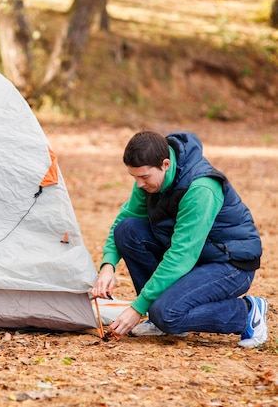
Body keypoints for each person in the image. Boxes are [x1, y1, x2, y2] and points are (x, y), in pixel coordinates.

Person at [91, 131, 267, 348]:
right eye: (134, 177)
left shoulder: (201, 188)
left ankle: (246, 313)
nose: (138, 184)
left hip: (230, 265)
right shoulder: (149, 179)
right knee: (128, 230)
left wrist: (138, 308)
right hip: (195, 258)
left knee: (167, 314)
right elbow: (125, 219)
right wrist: (108, 265)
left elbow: (181, 256)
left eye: (144, 177)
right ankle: (160, 317)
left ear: (165, 164)